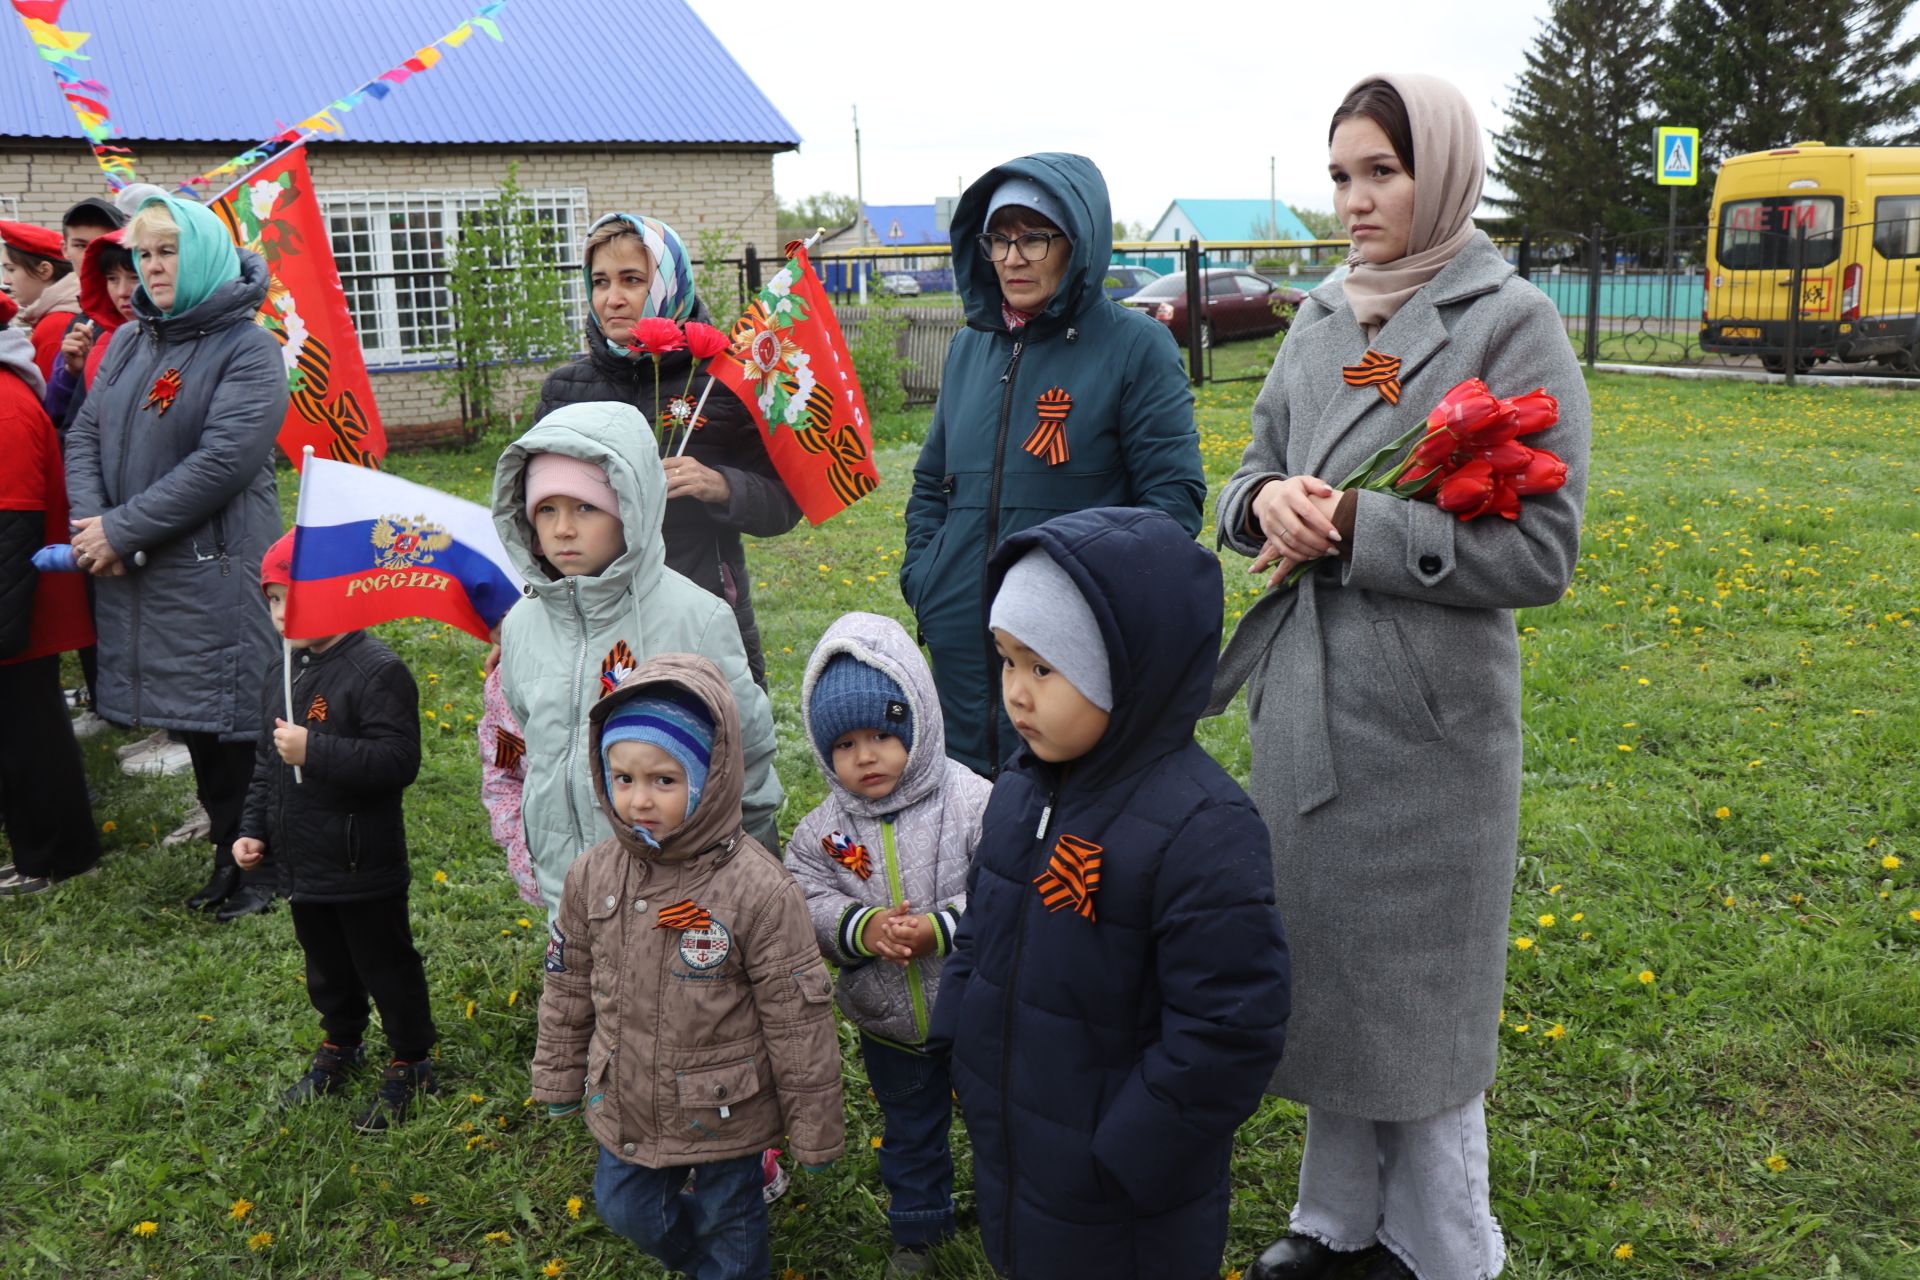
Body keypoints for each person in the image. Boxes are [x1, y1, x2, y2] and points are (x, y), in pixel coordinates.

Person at [1214, 76, 1590, 1280]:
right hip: (1309, 704)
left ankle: (1444, 1243)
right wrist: (1259, 501)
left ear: (1444, 171)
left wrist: (1363, 531)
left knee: (1417, 999)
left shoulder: (1509, 320)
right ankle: (1337, 1219)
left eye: (1382, 170)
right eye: (1340, 176)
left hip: (1428, 729)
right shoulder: (1323, 316)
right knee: (1325, 970)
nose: (1356, 200)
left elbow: (1542, 548)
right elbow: (1254, 464)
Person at [927, 506, 1291, 1280]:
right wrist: (958, 1035)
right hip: (1021, 1154)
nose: (1015, 694)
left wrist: (1129, 1152)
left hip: (1125, 1199)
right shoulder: (1022, 791)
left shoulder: (1204, 828)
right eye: (1007, 659)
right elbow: (984, 927)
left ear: (1130, 672)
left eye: (1044, 668)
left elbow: (1231, 1027)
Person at [532, 654, 844, 1280]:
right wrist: (559, 1076)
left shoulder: (758, 888)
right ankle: (710, 1263)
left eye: (664, 781)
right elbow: (567, 984)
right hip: (625, 1094)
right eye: (622, 778)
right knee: (625, 1208)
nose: (639, 799)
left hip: (724, 1104)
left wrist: (813, 1128)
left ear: (710, 780)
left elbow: (795, 1017)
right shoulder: (593, 874)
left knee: (733, 1219)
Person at [901, 153, 1206, 775]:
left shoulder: (1135, 347)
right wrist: (926, 576)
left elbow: (1172, 506)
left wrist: (1092, 610)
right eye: (999, 238)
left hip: (1068, 665)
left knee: (1060, 839)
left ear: (1079, 242)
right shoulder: (968, 347)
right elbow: (934, 481)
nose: (1013, 257)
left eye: (1035, 237)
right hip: (961, 657)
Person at [63, 193, 289, 917]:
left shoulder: (249, 348)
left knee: (233, 725)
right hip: (148, 567)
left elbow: (221, 463)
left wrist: (121, 531)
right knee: (195, 724)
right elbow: (84, 436)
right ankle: (229, 850)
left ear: (205, 255)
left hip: (216, 570)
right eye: (145, 255)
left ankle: (260, 864)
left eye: (170, 252)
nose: (154, 269)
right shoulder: (132, 340)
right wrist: (95, 522)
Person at [488, 401, 784, 916]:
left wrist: (755, 872)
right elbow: (517, 746)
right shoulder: (521, 627)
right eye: (546, 509)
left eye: (585, 507)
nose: (562, 529)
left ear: (631, 506)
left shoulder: (698, 618)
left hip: (683, 895)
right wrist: (527, 843)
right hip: (571, 893)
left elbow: (747, 753)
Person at [785, 611, 991, 1275]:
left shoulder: (974, 802)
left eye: (881, 733)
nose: (865, 755)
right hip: (888, 1022)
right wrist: (861, 928)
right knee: (909, 1130)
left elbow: (1005, 889)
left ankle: (1007, 1210)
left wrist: (941, 927)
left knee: (997, 1124)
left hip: (977, 1016)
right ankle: (918, 1229)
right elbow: (805, 900)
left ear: (917, 721)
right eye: (844, 744)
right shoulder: (821, 832)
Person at [535, 213, 800, 688]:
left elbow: (782, 505)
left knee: (711, 748)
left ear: (669, 285)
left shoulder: (723, 384)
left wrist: (720, 485)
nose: (612, 298)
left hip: (700, 614)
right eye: (600, 281)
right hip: (595, 623)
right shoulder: (565, 392)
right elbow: (530, 519)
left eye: (632, 280)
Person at [233, 531, 437, 1126]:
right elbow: (266, 766)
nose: (283, 614)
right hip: (304, 861)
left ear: (344, 594)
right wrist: (254, 830)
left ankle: (411, 1057)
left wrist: (314, 750)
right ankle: (340, 1042)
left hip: (361, 860)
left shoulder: (377, 671)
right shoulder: (282, 668)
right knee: (325, 963)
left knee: (384, 960)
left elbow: (399, 762)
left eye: (296, 598)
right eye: (273, 601)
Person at [0, 289, 99, 895]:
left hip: (16, 609)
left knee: (28, 737)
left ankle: (58, 855)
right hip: (13, 604)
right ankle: (43, 851)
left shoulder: (7, 406)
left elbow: (13, 524)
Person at [46, 197, 129, 431]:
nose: (91, 254)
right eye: (81, 245)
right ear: (65, 249)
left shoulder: (139, 318)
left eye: (100, 244)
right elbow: (56, 415)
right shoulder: (79, 322)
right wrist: (72, 373)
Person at [1, 220, 81, 383]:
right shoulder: (57, 316)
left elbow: (49, 402)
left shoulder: (55, 325)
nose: (6, 281)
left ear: (44, 270)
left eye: (11, 270)